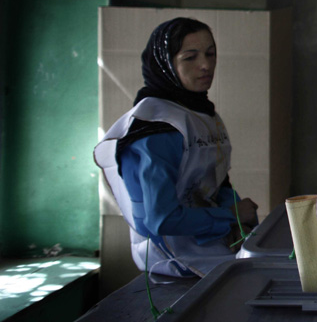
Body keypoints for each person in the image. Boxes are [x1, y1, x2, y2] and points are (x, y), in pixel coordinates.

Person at [94, 17, 258, 277]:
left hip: (211, 238)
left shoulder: (201, 113)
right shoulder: (156, 127)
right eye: (190, 57)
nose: (205, 65)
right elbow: (160, 220)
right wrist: (230, 214)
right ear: (165, 64)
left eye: (210, 54)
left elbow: (216, 180)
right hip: (173, 255)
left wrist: (239, 219)